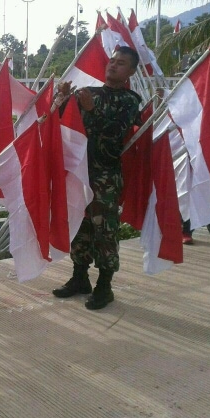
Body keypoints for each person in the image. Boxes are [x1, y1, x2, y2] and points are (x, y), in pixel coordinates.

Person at [51, 46, 142, 310]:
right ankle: (80, 277)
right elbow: (60, 122)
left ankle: (104, 285)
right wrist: (63, 99)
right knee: (80, 225)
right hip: (81, 172)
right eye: (112, 61)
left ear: (131, 72)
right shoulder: (90, 93)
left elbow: (114, 137)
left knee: (104, 230)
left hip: (106, 175)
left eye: (121, 63)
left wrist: (91, 110)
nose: (113, 66)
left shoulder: (129, 101)